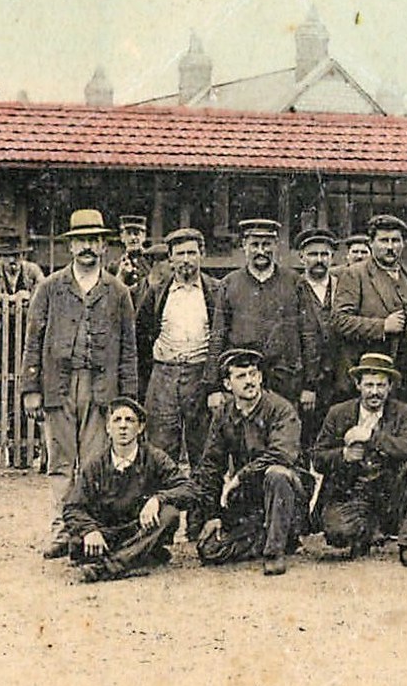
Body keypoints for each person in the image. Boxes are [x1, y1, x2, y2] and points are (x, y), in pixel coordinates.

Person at [21, 210, 139, 555]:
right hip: (59, 385)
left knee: (93, 463)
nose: (88, 247)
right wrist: (31, 389)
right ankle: (60, 531)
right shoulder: (50, 288)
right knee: (59, 463)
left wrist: (126, 399)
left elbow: (129, 348)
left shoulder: (117, 292)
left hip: (101, 390)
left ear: (104, 246)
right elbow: (33, 340)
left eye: (94, 240)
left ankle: (87, 531)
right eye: (81, 240)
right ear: (71, 245)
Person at [192, 348, 310, 576]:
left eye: (253, 374)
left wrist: (239, 476)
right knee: (210, 550)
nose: (250, 381)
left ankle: (274, 552)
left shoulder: (281, 408)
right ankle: (271, 536)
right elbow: (210, 465)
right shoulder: (223, 414)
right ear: (227, 384)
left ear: (261, 377)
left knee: (277, 473)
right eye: (241, 376)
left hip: (287, 495)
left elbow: (282, 455)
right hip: (249, 499)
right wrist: (213, 515)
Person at [310, 353, 407, 565]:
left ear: (390, 387)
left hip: (389, 493)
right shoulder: (338, 413)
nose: (375, 392)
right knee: (338, 532)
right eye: (369, 385)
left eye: (381, 385)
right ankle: (363, 533)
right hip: (352, 492)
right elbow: (318, 457)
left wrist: (373, 438)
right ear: (358, 385)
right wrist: (343, 456)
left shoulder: (402, 412)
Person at [61, 397, 193, 583]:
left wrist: (158, 499)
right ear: (108, 428)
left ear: (140, 428)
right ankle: (139, 557)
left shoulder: (155, 458)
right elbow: (72, 507)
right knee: (78, 542)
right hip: (107, 532)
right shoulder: (95, 464)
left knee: (169, 514)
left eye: (130, 420)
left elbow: (188, 489)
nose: (123, 426)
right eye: (117, 420)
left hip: (140, 529)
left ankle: (109, 567)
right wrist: (90, 530)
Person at [209, 219, 320, 420]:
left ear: (276, 245)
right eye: (254, 244)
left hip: (286, 381)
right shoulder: (229, 284)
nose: (261, 250)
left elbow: (309, 334)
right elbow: (218, 336)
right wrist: (213, 386)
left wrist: (310, 385)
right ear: (244, 246)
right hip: (245, 377)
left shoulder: (295, 282)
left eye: (267, 244)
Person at [135, 227, 222, 469]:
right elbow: (141, 336)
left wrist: (214, 383)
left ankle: (202, 505)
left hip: (200, 375)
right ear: (170, 258)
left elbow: (222, 337)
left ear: (201, 255)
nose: (186, 260)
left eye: (191, 253)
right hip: (164, 375)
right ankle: (165, 504)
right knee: (160, 448)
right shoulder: (157, 292)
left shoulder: (215, 291)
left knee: (204, 448)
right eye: (180, 254)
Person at [331, 213, 407, 397]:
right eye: (384, 240)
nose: (390, 247)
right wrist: (382, 326)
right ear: (371, 243)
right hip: (366, 374)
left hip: (402, 374)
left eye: (396, 241)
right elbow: (339, 320)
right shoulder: (355, 274)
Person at [294, 228, 344, 447]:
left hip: (340, 380)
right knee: (306, 439)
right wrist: (308, 385)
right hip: (307, 382)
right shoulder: (293, 288)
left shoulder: (343, 287)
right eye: (313, 254)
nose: (319, 260)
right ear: (302, 257)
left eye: (324, 254)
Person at [0, 234, 44, 298]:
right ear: (0, 256)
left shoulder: (33, 270)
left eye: (16, 255)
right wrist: (4, 297)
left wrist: (29, 295)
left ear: (22, 255)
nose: (12, 260)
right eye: (7, 256)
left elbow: (43, 290)